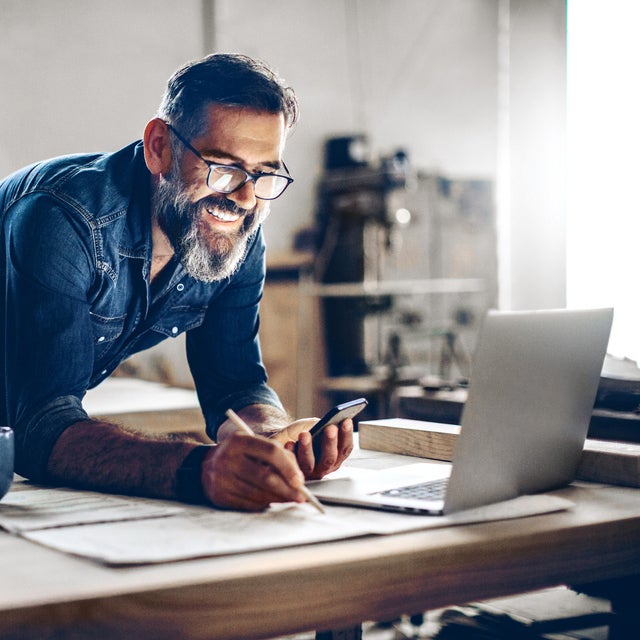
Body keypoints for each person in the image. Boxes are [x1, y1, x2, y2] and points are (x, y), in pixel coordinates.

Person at [0, 53, 354, 511]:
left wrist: (270, 440)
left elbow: (234, 385)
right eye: (222, 167)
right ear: (159, 147)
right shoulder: (63, 221)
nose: (244, 198)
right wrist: (200, 470)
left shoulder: (235, 234)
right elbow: (41, 426)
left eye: (264, 173)